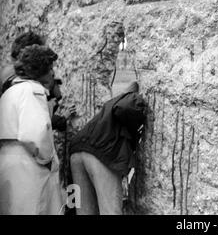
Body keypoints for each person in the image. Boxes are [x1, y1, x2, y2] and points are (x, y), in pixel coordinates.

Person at [0, 45, 63, 214]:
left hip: (7, 160)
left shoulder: (11, 91)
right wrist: (48, 160)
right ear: (40, 70)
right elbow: (36, 132)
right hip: (27, 163)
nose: (52, 73)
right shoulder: (32, 90)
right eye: (50, 68)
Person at [69, 81, 147, 215]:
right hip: (101, 153)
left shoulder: (108, 107)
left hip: (77, 151)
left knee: (84, 212)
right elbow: (126, 106)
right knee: (110, 211)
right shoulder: (130, 100)